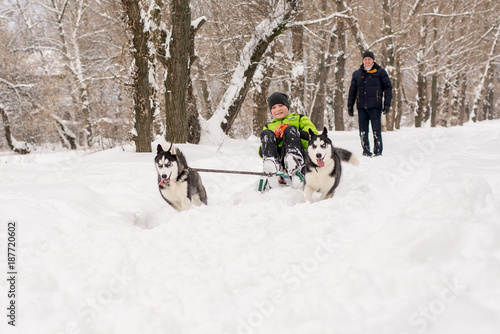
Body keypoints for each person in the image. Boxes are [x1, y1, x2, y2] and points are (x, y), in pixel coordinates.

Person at [259, 92, 318, 176]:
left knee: (289, 129)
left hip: (301, 155)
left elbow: (314, 139)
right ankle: (271, 163)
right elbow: (261, 152)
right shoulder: (268, 127)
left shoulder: (299, 118)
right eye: (274, 107)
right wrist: (274, 137)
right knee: (266, 133)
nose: (278, 109)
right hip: (279, 159)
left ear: (287, 106)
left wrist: (295, 132)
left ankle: (294, 159)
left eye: (281, 105)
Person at [347, 50, 392, 157]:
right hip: (361, 107)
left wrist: (387, 104)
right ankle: (366, 151)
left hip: (375, 107)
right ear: (363, 60)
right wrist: (350, 105)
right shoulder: (357, 74)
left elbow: (388, 89)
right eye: (365, 59)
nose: (367, 61)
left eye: (369, 59)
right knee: (363, 131)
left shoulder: (380, 72)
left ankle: (378, 152)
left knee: (376, 131)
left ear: (373, 60)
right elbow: (352, 91)